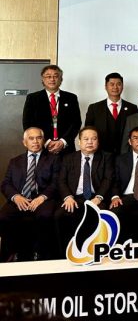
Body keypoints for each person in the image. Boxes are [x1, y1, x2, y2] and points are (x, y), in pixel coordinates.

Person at [0, 128, 60, 261]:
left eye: (39, 138)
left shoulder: (53, 159)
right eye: (31, 138)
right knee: (3, 216)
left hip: (43, 199)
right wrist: (16, 197)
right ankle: (12, 253)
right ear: (24, 142)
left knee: (45, 216)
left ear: (43, 141)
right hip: (20, 198)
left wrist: (42, 198)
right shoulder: (14, 161)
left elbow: (56, 183)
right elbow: (5, 184)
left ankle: (40, 253)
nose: (35, 141)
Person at [55, 127, 114, 254]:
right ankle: (64, 253)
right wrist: (68, 197)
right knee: (60, 215)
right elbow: (61, 180)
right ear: (79, 142)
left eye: (94, 139)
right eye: (86, 139)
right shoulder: (68, 158)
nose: (90, 142)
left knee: (102, 215)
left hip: (95, 197)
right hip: (74, 198)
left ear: (98, 141)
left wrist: (98, 197)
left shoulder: (106, 157)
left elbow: (108, 179)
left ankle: (98, 252)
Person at [22, 64, 81, 154]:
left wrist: (63, 141)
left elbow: (76, 123)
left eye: (55, 76)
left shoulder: (71, 98)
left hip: (66, 148)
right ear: (43, 79)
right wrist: (46, 142)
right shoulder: (33, 98)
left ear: (61, 79)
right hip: (40, 147)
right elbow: (28, 123)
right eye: (48, 76)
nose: (52, 79)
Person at [84, 72, 138, 155]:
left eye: (118, 84)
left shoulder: (132, 108)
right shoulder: (94, 108)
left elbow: (136, 132)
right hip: (100, 154)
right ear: (106, 87)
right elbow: (88, 131)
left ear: (122, 86)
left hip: (125, 155)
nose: (115, 87)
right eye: (112, 84)